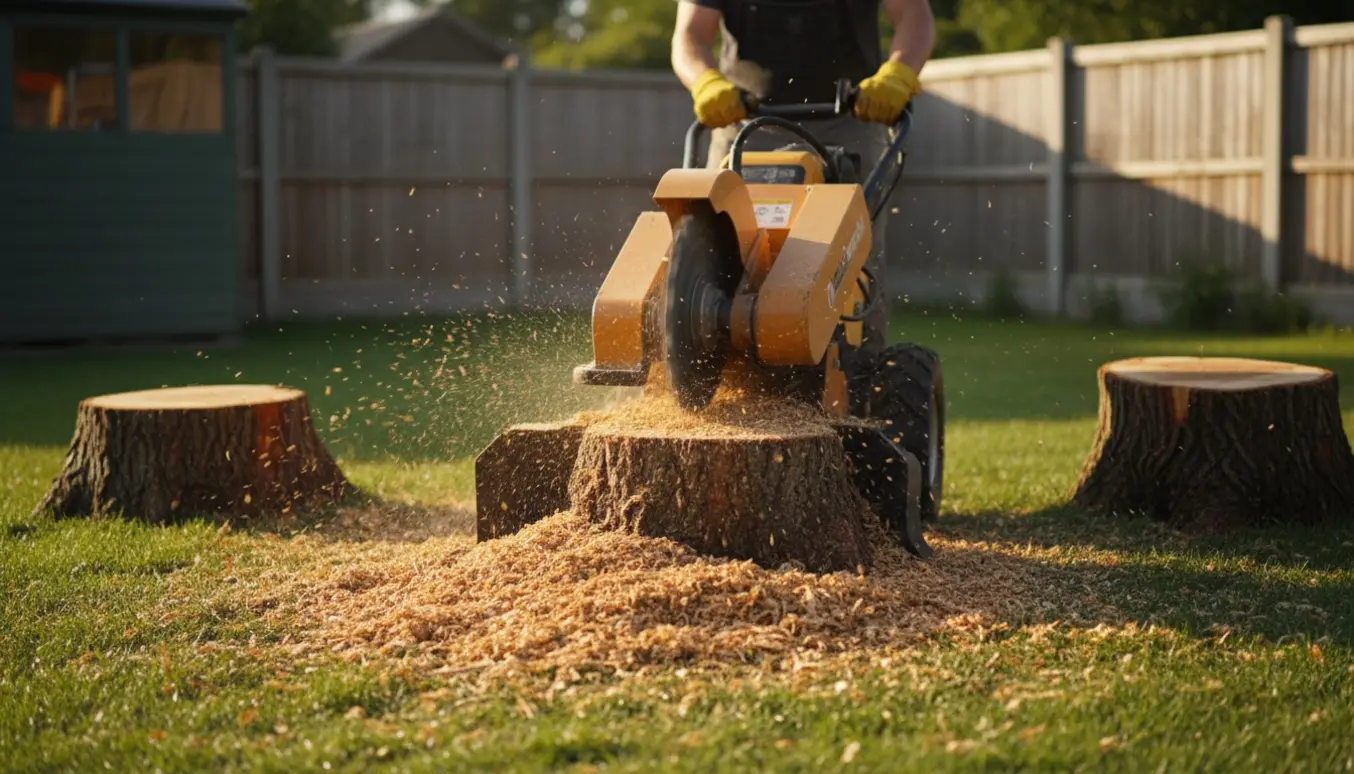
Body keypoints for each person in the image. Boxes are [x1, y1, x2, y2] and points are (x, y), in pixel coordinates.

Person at [670, 0, 935, 357]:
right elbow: (690, 35)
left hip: (851, 119)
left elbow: (914, 16)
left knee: (856, 258)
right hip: (743, 122)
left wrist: (898, 74)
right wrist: (705, 82)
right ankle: (708, 364)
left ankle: (861, 372)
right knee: (714, 246)